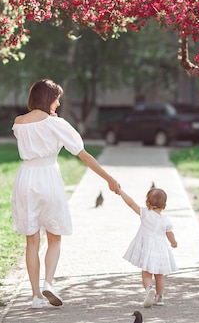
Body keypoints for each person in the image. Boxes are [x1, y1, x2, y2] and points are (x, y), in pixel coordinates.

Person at [11, 79, 121, 309]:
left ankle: (35, 297)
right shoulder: (55, 123)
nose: (58, 104)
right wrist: (109, 178)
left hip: (26, 178)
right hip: (48, 176)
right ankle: (49, 282)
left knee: (32, 240)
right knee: (54, 236)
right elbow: (83, 155)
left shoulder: (19, 122)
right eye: (56, 98)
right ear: (47, 99)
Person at [121, 187, 178, 308]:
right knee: (160, 274)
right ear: (165, 206)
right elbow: (170, 234)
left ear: (147, 203)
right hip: (161, 250)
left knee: (146, 272)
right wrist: (174, 242)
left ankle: (149, 289)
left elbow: (131, 203)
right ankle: (160, 296)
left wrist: (121, 191)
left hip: (147, 249)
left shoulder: (145, 214)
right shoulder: (166, 220)